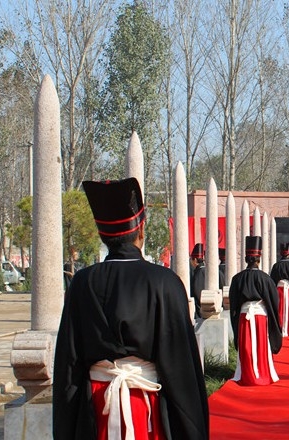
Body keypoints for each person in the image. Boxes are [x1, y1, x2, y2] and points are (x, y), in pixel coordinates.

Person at [54, 178, 208, 439]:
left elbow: (68, 362)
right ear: (141, 230)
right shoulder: (164, 282)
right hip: (145, 406)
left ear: (103, 236)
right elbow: (180, 364)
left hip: (96, 407)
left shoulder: (81, 283)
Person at [229, 236, 282, 386]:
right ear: (259, 258)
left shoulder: (237, 279)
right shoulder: (265, 279)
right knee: (261, 345)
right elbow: (273, 301)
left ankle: (247, 375)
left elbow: (234, 303)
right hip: (260, 316)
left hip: (244, 315)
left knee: (246, 345)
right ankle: (262, 374)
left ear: (246, 258)